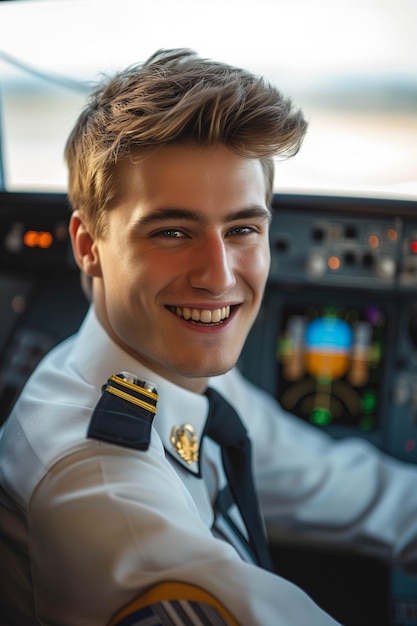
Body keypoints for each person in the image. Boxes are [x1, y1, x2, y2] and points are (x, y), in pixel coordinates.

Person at [0, 48, 416, 626]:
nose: (218, 277)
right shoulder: (99, 482)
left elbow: (329, 483)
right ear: (88, 245)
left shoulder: (172, 372)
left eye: (243, 228)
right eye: (172, 231)